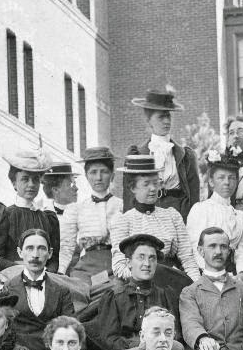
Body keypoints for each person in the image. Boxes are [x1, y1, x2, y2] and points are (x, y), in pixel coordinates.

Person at [108, 149, 196, 278]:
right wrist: (145, 277)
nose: (153, 189)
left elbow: (187, 258)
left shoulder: (172, 216)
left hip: (170, 279)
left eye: (155, 183)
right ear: (133, 188)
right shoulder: (122, 221)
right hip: (136, 285)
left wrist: (197, 287)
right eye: (146, 184)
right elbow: (119, 267)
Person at [180, 226, 243, 350]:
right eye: (212, 246)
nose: (218, 252)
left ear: (229, 251)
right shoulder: (190, 292)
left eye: (223, 247)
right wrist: (203, 339)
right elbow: (190, 323)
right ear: (201, 251)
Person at [125, 87, 200, 219]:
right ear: (149, 120)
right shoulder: (136, 154)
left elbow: (194, 199)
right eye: (161, 117)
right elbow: (129, 196)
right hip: (145, 215)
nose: (167, 121)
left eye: (168, 115)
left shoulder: (186, 156)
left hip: (178, 214)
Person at [4, 230, 75, 350]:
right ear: (20, 252)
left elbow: (72, 331)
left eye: (41, 249)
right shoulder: (7, 289)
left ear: (50, 253)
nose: (35, 255)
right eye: (29, 248)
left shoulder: (61, 291)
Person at [57, 146, 121, 286]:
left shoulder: (122, 206)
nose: (98, 178)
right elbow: (67, 246)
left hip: (115, 263)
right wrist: (60, 272)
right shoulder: (77, 209)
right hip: (86, 267)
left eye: (103, 172)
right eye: (93, 172)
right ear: (86, 176)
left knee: (115, 290)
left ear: (112, 175)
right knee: (78, 291)